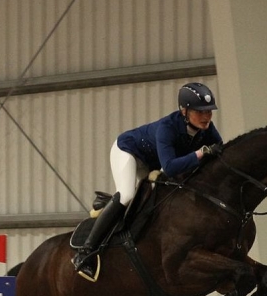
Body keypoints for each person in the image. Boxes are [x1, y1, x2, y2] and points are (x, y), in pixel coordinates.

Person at [72, 82, 224, 281]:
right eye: (200, 112)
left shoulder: (207, 129)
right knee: (126, 194)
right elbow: (170, 167)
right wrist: (200, 153)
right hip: (129, 152)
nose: (206, 117)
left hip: (152, 162)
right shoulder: (167, 128)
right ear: (184, 111)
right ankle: (85, 252)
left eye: (209, 112)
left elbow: (219, 149)